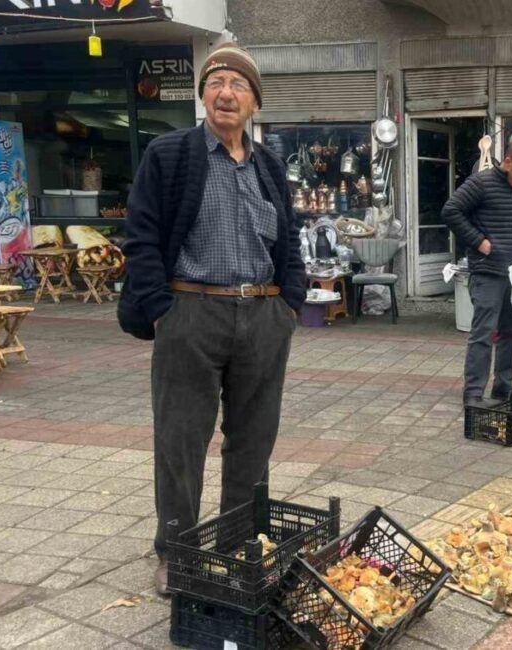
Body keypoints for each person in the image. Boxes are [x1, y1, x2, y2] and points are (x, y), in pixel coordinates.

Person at [117, 44, 305, 594]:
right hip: (191, 312)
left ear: (254, 102)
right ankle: (176, 552)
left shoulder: (269, 165)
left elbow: (289, 241)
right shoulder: (170, 153)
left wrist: (288, 304)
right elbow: (142, 233)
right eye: (217, 81)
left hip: (264, 314)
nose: (226, 92)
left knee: (254, 439)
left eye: (239, 85)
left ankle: (238, 545)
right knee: (181, 437)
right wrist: (161, 309)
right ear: (203, 95)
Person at [442, 140, 512, 406]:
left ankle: (503, 388)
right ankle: (473, 393)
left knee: (511, 332)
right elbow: (451, 211)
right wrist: (478, 241)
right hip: (487, 272)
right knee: (483, 333)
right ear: (507, 162)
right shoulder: (481, 183)